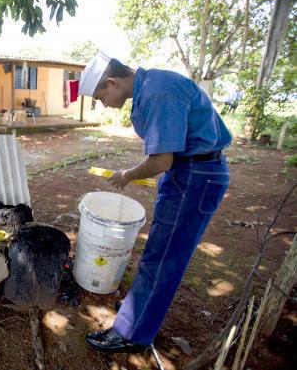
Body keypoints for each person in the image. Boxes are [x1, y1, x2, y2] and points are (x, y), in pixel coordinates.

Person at [78, 52, 232, 353]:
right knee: (159, 250)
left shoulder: (157, 92)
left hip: (195, 177)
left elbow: (161, 159)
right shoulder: (152, 85)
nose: (103, 104)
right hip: (189, 173)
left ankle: (131, 333)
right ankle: (142, 308)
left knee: (163, 257)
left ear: (112, 82)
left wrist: (127, 175)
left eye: (100, 96)